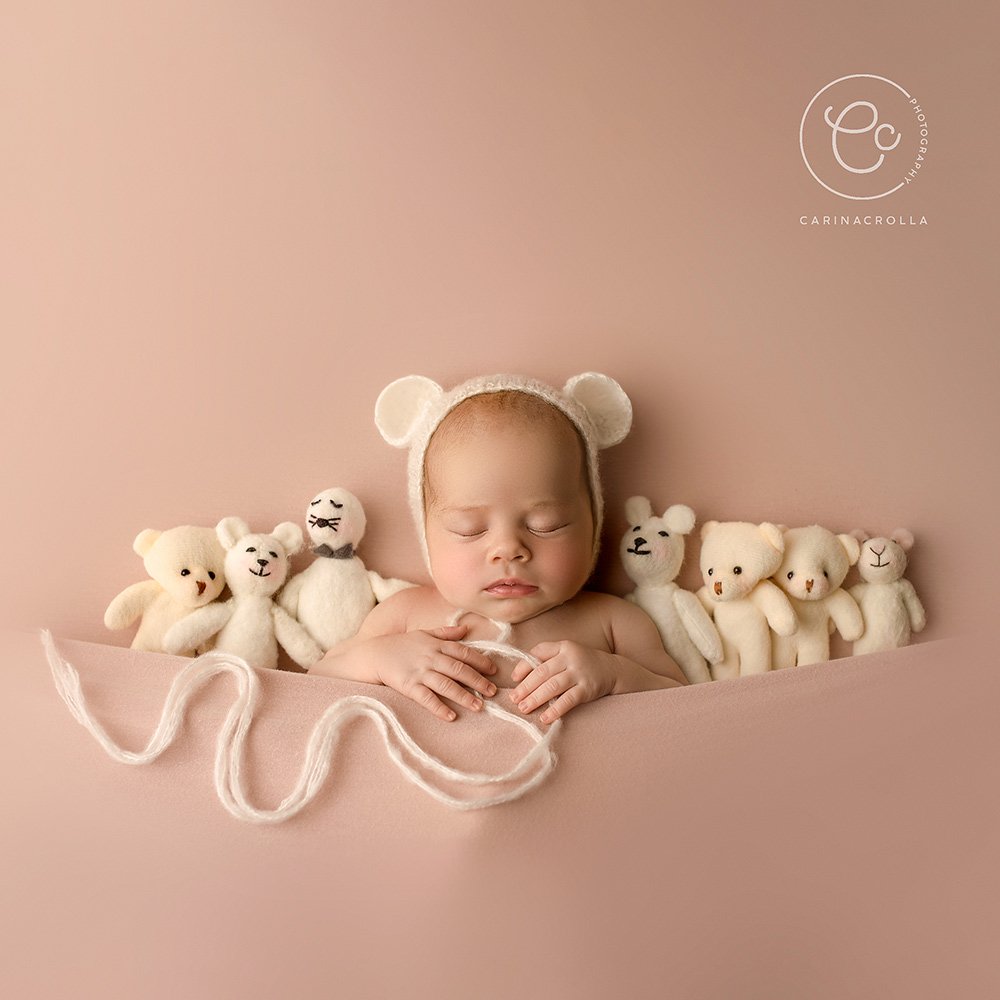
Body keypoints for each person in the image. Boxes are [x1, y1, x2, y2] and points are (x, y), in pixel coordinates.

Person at [309, 373, 687, 723]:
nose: (508, 550)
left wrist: (616, 675)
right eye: (469, 529)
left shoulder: (613, 622)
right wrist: (378, 659)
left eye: (546, 525)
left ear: (593, 525)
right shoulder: (404, 616)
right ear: (427, 535)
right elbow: (315, 683)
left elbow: (685, 706)